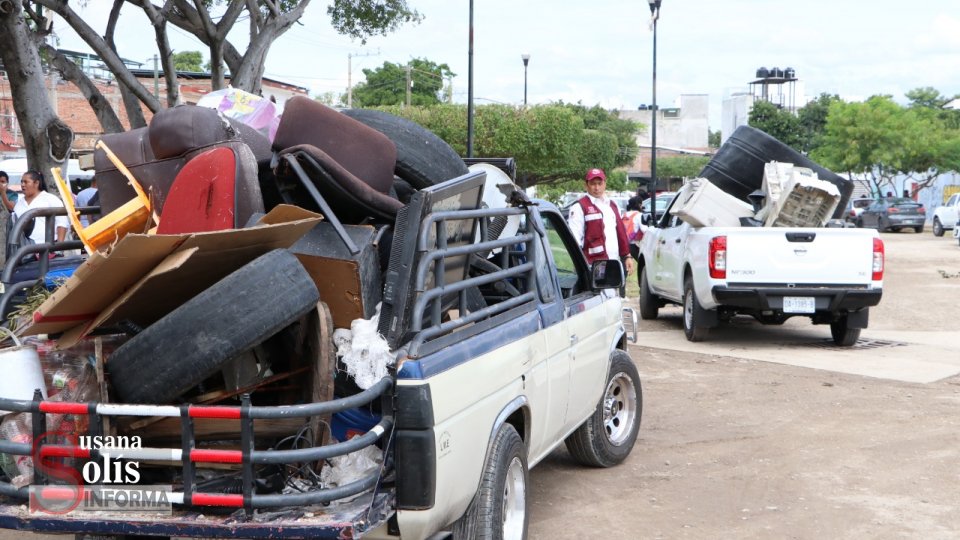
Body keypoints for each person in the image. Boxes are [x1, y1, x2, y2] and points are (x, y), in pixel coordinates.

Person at [566, 168, 635, 295]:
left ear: (605, 184)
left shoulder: (612, 205)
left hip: (613, 263)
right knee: (596, 301)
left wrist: (627, 256)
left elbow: (620, 233)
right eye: (592, 184)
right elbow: (575, 241)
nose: (596, 188)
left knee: (612, 299)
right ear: (586, 185)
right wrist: (581, 268)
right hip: (593, 265)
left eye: (599, 183)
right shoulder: (579, 207)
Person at [13, 170, 68, 245]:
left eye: (26, 182)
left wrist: (59, 248)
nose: (22, 185)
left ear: (36, 183)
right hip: (24, 249)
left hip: (46, 248)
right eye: (21, 182)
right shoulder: (19, 203)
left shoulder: (51, 199)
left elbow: (62, 224)